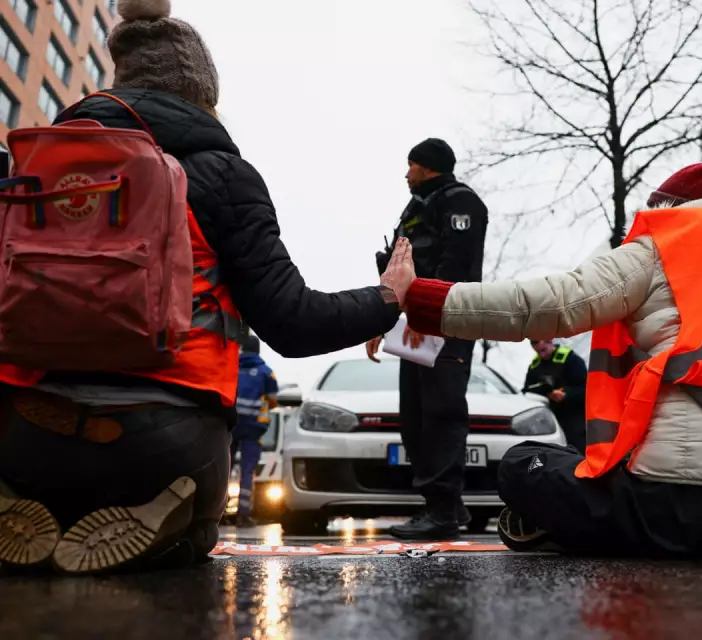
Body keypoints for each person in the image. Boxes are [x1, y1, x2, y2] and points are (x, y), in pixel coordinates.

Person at [0, 0, 414, 574]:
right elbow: (292, 322)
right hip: (162, 443)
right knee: (196, 536)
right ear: (201, 95)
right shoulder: (220, 175)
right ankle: (172, 522)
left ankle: (21, 499)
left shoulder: (33, 168)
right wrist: (389, 297)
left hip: (22, 432)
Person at [399, 162, 702, 557]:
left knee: (523, 462)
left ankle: (566, 523)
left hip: (673, 508)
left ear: (670, 208)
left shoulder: (668, 241)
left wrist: (421, 300)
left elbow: (553, 303)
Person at [368, 138, 488, 541]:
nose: (406, 173)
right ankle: (447, 506)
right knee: (416, 419)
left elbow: (455, 268)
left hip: (446, 323)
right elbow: (399, 270)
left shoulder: (461, 203)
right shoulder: (416, 208)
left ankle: (441, 512)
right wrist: (379, 321)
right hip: (415, 322)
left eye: (411, 165)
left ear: (428, 166)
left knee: (440, 415)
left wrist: (429, 314)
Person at [230, 332, 279, 528]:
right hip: (253, 428)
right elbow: (274, 400)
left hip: (230, 425)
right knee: (248, 471)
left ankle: (215, 513)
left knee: (223, 468)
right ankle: (244, 515)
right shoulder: (266, 372)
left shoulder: (231, 368)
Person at [523, 340, 588, 453]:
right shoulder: (535, 366)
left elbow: (587, 390)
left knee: (576, 454)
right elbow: (526, 391)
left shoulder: (571, 360)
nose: (542, 355)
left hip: (574, 419)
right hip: (547, 420)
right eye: (538, 352)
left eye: (543, 350)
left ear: (550, 341)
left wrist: (566, 394)